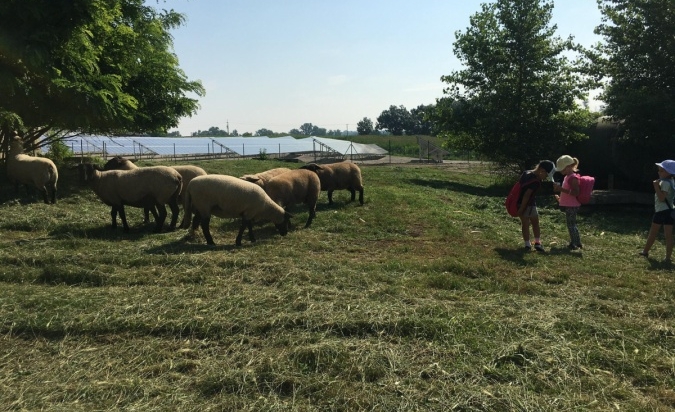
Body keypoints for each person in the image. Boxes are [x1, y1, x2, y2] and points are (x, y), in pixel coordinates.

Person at [639, 160, 675, 261]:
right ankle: (668, 258)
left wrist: (656, 186)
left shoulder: (664, 183)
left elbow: (661, 198)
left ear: (669, 172)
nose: (659, 172)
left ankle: (645, 251)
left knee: (653, 232)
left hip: (661, 211)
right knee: (668, 235)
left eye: (662, 171)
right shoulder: (672, 182)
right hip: (670, 211)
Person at [517, 160, 555, 252]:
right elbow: (527, 195)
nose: (545, 177)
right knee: (534, 222)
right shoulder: (535, 182)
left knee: (525, 224)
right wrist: (522, 209)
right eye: (546, 175)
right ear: (542, 170)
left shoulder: (526, 173)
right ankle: (536, 243)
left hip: (519, 202)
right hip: (528, 204)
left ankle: (528, 244)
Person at [553, 155, 583, 250]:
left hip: (572, 205)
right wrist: (560, 199)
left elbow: (575, 192)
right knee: (571, 224)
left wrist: (561, 189)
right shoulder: (567, 177)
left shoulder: (573, 178)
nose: (561, 171)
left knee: (571, 225)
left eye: (562, 169)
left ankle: (574, 243)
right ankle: (577, 242)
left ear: (569, 167)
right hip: (569, 205)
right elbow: (567, 192)